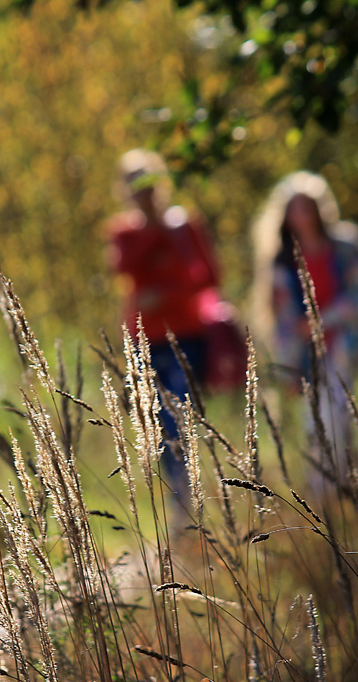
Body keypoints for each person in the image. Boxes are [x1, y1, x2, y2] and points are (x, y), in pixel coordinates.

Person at [250, 172, 358, 491]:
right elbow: (281, 322)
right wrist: (289, 370)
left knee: (340, 416)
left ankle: (347, 488)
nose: (301, 216)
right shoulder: (281, 262)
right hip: (305, 356)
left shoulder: (348, 246)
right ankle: (324, 492)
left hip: (344, 346)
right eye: (294, 210)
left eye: (306, 208)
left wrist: (331, 322)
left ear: (320, 209)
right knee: (317, 421)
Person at [106, 149, 222, 502]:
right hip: (142, 340)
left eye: (148, 185)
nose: (144, 194)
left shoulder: (185, 226)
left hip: (187, 335)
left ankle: (187, 502)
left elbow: (210, 276)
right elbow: (123, 266)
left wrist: (164, 294)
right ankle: (181, 502)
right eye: (135, 187)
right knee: (155, 424)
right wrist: (153, 230)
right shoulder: (124, 233)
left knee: (179, 419)